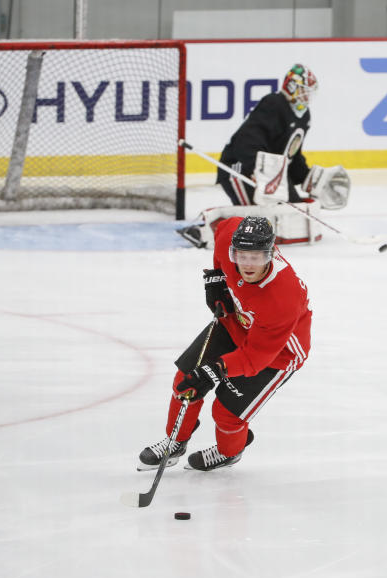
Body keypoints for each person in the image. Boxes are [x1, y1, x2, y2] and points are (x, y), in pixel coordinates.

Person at [138, 215, 312, 471]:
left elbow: (255, 357)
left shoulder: (283, 298)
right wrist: (217, 277)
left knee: (226, 413)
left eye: (257, 258)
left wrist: (216, 369)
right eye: (241, 256)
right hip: (236, 323)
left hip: (278, 353)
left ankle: (228, 452)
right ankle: (175, 441)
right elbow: (224, 226)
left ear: (271, 254)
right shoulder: (230, 238)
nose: (248, 265)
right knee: (186, 380)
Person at [178, 63, 350, 247]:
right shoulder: (274, 104)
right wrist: (258, 171)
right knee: (261, 215)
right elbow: (246, 141)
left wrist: (307, 177)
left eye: (309, 92)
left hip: (273, 173)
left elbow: (291, 154)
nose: (307, 96)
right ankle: (205, 230)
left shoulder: (304, 116)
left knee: (294, 211)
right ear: (291, 87)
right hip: (240, 168)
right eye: (303, 90)